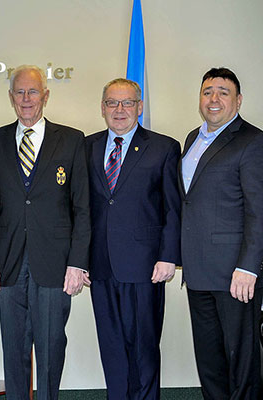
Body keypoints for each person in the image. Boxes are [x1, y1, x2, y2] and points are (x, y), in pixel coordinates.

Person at [0, 65, 90, 400]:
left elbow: (82, 208)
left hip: (56, 264)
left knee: (51, 346)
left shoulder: (71, 140)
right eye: (20, 92)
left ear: (46, 95)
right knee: (13, 349)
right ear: (11, 97)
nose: (27, 99)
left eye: (33, 92)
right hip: (8, 263)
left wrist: (78, 263)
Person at [85, 78, 181, 399]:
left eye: (127, 103)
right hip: (100, 267)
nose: (119, 109)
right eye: (112, 102)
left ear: (140, 107)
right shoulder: (87, 147)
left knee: (143, 349)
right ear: (102, 108)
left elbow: (173, 207)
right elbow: (80, 209)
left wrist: (169, 256)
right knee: (111, 349)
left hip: (145, 267)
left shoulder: (164, 147)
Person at [180, 67, 263, 399]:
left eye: (223, 92)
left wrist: (248, 267)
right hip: (198, 272)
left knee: (241, 361)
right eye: (207, 91)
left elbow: (259, 210)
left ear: (238, 100)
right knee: (209, 361)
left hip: (235, 275)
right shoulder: (192, 138)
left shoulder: (252, 141)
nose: (213, 99)